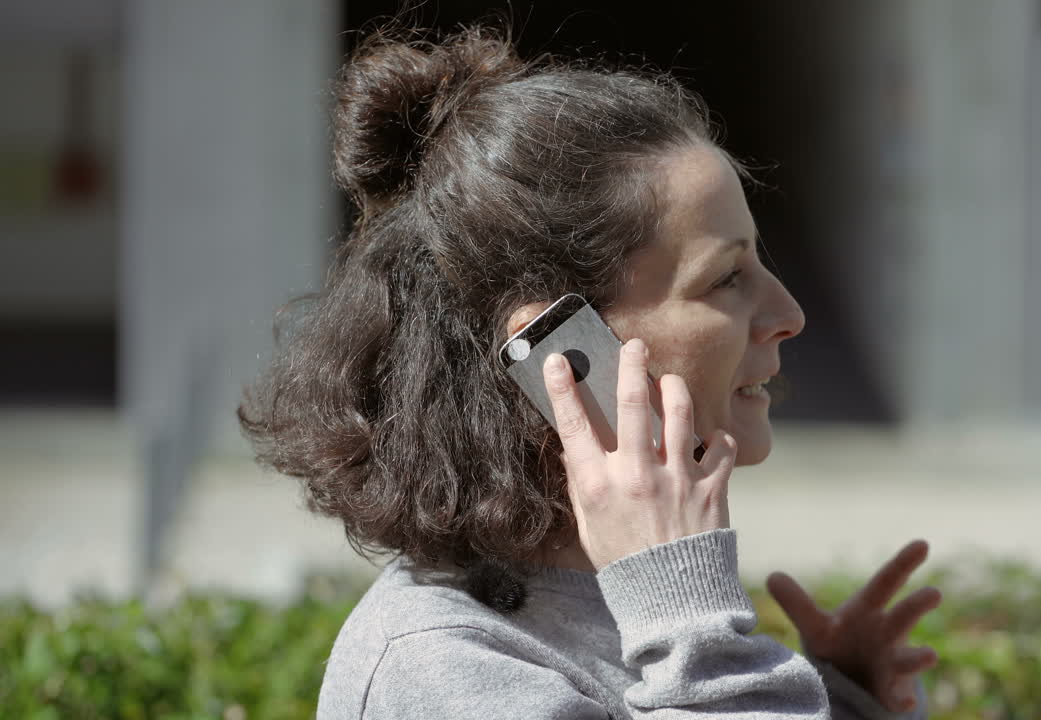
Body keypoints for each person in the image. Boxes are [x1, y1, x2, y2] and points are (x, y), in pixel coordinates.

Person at [239, 23, 941, 720]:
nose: (789, 313)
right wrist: (693, 627)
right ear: (562, 357)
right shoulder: (445, 667)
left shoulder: (624, 599)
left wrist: (842, 702)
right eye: (726, 279)